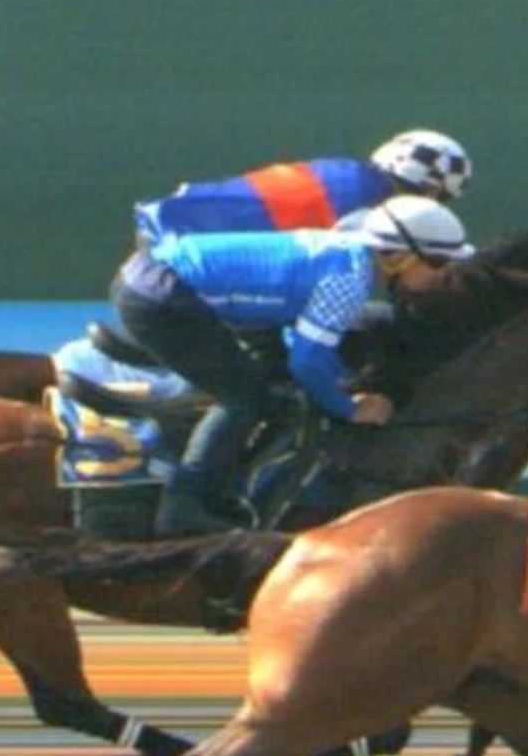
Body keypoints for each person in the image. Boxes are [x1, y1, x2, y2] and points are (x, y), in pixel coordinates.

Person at [112, 196, 475, 535]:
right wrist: (349, 408)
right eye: (439, 262)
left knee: (269, 385)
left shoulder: (351, 254)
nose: (444, 275)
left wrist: (334, 386)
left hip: (158, 280)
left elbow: (305, 348)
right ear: (396, 257)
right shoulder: (351, 279)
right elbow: (308, 361)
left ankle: (226, 483)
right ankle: (182, 505)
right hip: (160, 296)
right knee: (246, 399)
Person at [133, 130, 471, 248]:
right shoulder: (371, 208)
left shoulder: (342, 171)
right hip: (181, 253)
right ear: (430, 188)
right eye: (440, 198)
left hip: (164, 229)